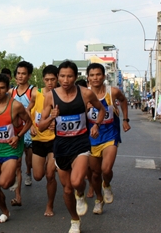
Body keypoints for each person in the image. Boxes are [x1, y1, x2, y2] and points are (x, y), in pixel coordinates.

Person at [39, 61, 105, 233]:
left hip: (81, 143)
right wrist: (51, 117)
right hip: (61, 146)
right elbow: (40, 125)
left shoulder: (85, 93)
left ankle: (81, 194)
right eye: (62, 76)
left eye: (69, 76)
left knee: (76, 182)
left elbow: (102, 110)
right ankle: (74, 220)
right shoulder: (50, 96)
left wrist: (97, 124)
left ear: (75, 77)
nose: (65, 80)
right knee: (67, 190)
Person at [0, 74, 33, 223]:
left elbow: (28, 122)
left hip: (11, 149)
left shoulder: (15, 105)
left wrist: (18, 136)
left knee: (4, 183)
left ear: (7, 89)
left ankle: (13, 178)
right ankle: (4, 211)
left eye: (2, 88)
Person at [86, 63, 130, 214]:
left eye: (98, 74)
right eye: (92, 75)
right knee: (95, 173)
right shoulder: (84, 94)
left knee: (106, 169)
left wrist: (125, 119)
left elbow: (123, 100)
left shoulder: (113, 92)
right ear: (88, 78)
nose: (95, 78)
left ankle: (107, 184)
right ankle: (99, 199)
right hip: (91, 138)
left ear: (104, 76)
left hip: (110, 134)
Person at [30, 65, 59, 216]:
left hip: (55, 140)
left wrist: (57, 123)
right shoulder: (37, 93)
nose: (50, 82)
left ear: (57, 79)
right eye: (47, 79)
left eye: (53, 79)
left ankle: (50, 205)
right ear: (43, 79)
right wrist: (30, 126)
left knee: (50, 175)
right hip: (38, 139)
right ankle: (49, 163)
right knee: (37, 176)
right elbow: (28, 110)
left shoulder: (61, 95)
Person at [8, 61, 37, 207]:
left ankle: (29, 172)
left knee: (29, 159)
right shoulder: (10, 92)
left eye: (23, 73)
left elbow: (38, 108)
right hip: (17, 131)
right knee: (17, 163)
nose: (20, 76)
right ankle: (18, 197)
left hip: (30, 129)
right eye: (18, 73)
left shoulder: (34, 91)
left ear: (29, 75)